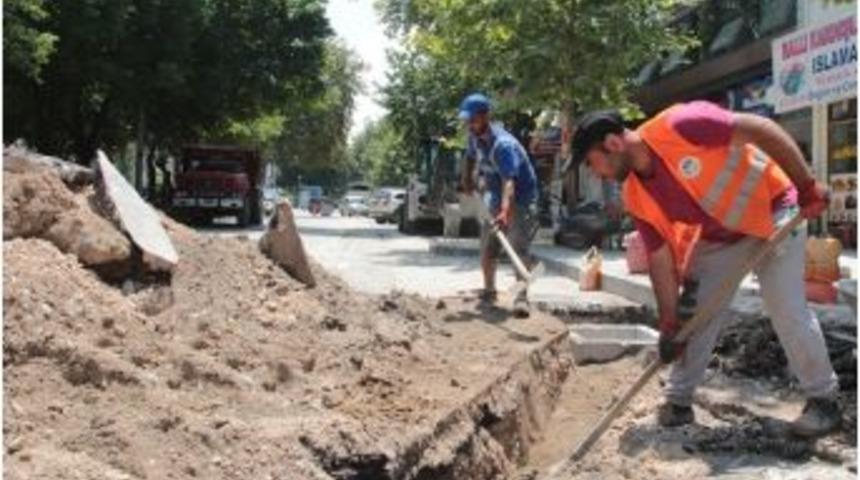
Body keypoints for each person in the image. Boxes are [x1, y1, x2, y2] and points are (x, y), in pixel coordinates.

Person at [570, 101, 839, 437]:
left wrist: (806, 186)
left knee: (784, 305)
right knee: (694, 313)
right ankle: (678, 402)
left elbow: (761, 128)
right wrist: (669, 323)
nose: (596, 173)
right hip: (721, 237)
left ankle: (824, 401)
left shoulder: (681, 125)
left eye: (592, 163)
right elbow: (659, 258)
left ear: (612, 144)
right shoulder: (635, 193)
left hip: (774, 210)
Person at [458, 93, 539, 317]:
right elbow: (470, 157)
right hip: (495, 196)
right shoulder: (475, 137)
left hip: (521, 200)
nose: (469, 124)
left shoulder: (503, 146)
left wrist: (505, 212)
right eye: (467, 120)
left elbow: (509, 183)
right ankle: (489, 290)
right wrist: (466, 179)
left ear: (485, 117)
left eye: (472, 120)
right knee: (487, 246)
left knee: (517, 248)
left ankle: (521, 299)